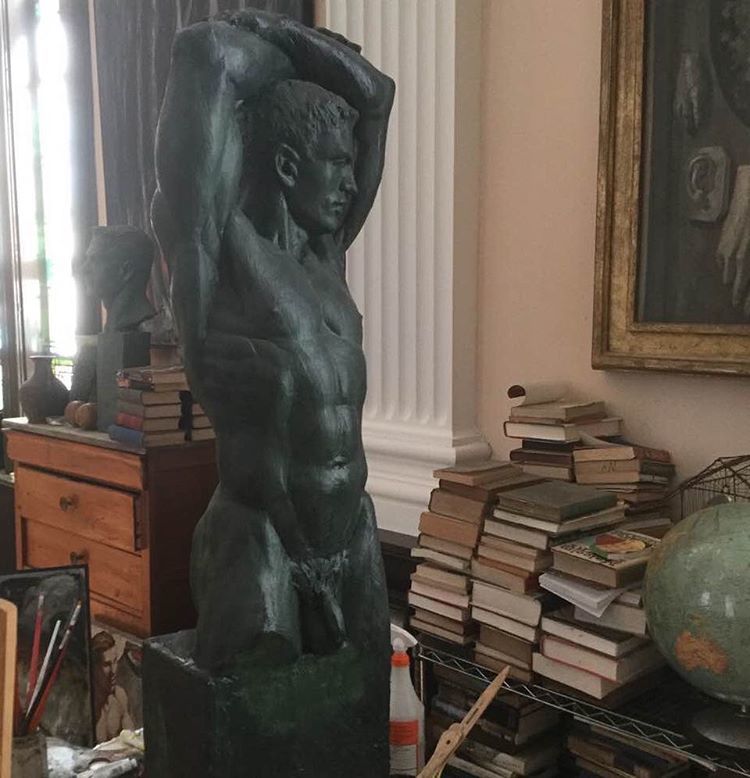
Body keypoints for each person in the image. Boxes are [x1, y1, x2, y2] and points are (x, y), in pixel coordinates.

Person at [152, 10, 394, 673]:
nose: (352, 185)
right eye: (336, 165)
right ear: (287, 165)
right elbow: (205, 51)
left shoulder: (326, 260)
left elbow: (377, 96)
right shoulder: (219, 254)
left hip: (349, 535)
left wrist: (285, 38)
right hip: (261, 540)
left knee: (358, 705)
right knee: (250, 707)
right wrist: (281, 40)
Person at [91, 631, 134, 743]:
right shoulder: (87, 702)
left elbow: (132, 740)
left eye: (115, 662)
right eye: (107, 665)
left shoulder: (120, 696)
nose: (114, 671)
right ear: (94, 667)